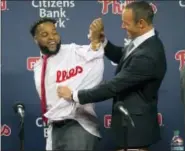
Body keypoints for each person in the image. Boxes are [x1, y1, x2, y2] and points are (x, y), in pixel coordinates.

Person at [57, 1, 167, 151]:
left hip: (135, 131)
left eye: (125, 23)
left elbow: (113, 87)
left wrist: (74, 95)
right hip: (130, 127)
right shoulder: (145, 43)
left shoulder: (147, 55)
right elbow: (124, 57)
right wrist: (103, 41)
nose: (122, 26)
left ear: (141, 23)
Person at [31, 17, 104, 150]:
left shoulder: (72, 51)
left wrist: (95, 40)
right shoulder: (38, 67)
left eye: (54, 32)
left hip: (77, 124)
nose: (52, 37)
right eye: (45, 34)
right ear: (36, 40)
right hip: (54, 128)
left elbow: (94, 54)